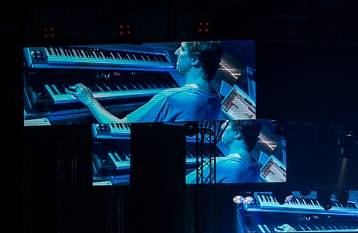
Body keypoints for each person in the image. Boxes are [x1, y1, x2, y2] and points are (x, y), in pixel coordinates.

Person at [67, 41, 224, 124]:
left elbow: (119, 125)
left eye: (182, 49)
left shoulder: (171, 97)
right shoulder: (216, 98)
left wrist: (90, 100)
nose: (176, 52)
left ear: (195, 60)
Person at [186, 120, 260, 183]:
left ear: (237, 134)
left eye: (227, 123)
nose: (222, 126)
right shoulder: (256, 167)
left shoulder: (217, 165)